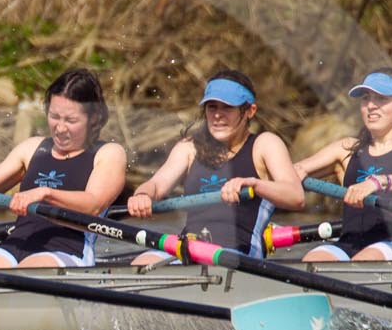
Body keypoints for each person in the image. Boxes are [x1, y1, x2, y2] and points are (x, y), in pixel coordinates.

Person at [124, 69, 303, 265]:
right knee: (142, 262)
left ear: (250, 111)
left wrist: (255, 185)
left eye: (227, 107)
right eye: (212, 107)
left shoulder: (265, 144)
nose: (217, 115)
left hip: (238, 256)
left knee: (212, 262)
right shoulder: (189, 148)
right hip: (189, 249)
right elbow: (157, 185)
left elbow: (295, 196)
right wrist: (142, 195)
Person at [0, 67, 127, 269]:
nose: (60, 127)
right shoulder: (32, 148)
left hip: (67, 250)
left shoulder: (108, 153)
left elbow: (93, 205)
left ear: (93, 118)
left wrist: (45, 194)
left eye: (71, 120)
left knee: (31, 270)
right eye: (54, 116)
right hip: (14, 245)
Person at [291, 69, 392, 262]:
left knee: (364, 260)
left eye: (381, 98)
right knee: (314, 260)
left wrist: (377, 183)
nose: (371, 106)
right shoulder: (346, 149)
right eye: (366, 98)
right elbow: (292, 173)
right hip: (348, 244)